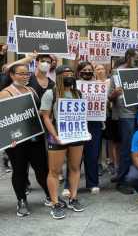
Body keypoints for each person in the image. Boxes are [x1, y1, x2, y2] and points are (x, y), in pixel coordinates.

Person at [0, 64, 50, 217]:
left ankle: (51, 195)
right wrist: (8, 138)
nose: (25, 76)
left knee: (42, 169)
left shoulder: (32, 90)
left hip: (35, 138)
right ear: (12, 75)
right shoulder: (5, 93)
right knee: (20, 171)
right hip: (17, 141)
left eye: (27, 73)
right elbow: (3, 118)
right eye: (21, 74)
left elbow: (38, 112)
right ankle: (21, 200)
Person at [40, 65, 85, 219]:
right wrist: (55, 135)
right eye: (65, 73)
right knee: (54, 171)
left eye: (71, 73)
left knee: (75, 168)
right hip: (57, 137)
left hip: (76, 136)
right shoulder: (50, 93)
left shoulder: (77, 93)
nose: (69, 75)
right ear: (58, 76)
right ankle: (55, 203)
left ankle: (73, 198)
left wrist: (83, 130)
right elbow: (45, 116)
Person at [108, 49, 138, 193]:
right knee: (127, 148)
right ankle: (121, 181)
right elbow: (110, 97)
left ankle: (133, 177)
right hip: (125, 114)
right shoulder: (116, 74)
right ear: (128, 58)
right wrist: (115, 93)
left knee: (136, 148)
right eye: (136, 59)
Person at [76, 61, 103, 193]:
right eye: (84, 70)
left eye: (89, 70)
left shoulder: (99, 86)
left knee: (92, 154)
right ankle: (70, 185)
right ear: (79, 72)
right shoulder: (73, 86)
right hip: (77, 123)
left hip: (94, 123)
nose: (87, 72)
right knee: (75, 155)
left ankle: (92, 183)